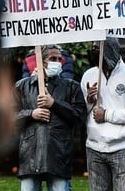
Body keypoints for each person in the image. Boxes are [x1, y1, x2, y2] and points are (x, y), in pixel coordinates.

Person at [15, 44, 86, 191]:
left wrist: (54, 104)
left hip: (58, 156)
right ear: (41, 61)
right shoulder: (22, 86)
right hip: (30, 157)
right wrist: (31, 114)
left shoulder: (71, 87)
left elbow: (79, 117)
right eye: (53, 58)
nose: (57, 62)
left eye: (60, 59)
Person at [80, 37, 125, 191]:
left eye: (97, 48)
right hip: (94, 148)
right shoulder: (89, 75)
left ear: (109, 49)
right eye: (93, 47)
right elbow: (80, 112)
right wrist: (89, 100)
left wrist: (107, 115)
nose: (93, 51)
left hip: (122, 147)